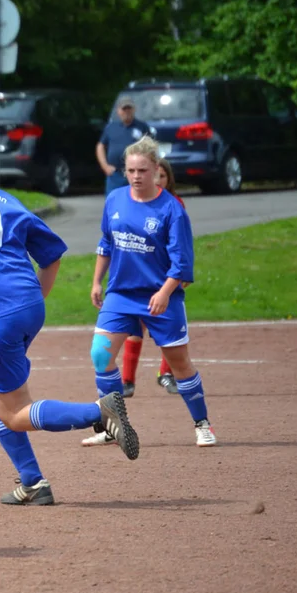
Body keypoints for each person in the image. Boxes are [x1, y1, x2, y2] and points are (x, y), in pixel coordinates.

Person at [0, 133, 140, 505]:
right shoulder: (4, 199)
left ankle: (99, 412)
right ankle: (33, 482)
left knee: (14, 412)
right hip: (28, 306)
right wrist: (31, 300)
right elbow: (51, 254)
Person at [84, 136, 216, 448]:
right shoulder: (115, 199)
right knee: (101, 354)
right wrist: (96, 282)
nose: (136, 176)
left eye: (143, 170)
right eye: (130, 170)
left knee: (179, 363)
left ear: (156, 169)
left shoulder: (172, 209)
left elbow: (182, 262)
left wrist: (165, 292)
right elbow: (106, 243)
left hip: (160, 295)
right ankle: (113, 426)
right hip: (121, 294)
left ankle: (202, 423)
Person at [117, 158, 185, 398]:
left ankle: (166, 374)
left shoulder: (175, 205)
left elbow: (183, 246)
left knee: (167, 330)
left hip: (164, 279)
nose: (157, 182)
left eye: (162, 177)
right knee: (135, 329)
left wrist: (181, 274)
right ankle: (127, 381)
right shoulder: (132, 202)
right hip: (139, 279)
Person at [96, 97, 152, 196]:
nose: (127, 111)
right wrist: (105, 166)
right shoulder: (111, 127)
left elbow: (150, 148)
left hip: (136, 173)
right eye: (124, 109)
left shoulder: (142, 127)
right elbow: (100, 146)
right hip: (115, 174)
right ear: (118, 111)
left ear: (134, 109)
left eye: (129, 108)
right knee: (114, 203)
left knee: (137, 202)